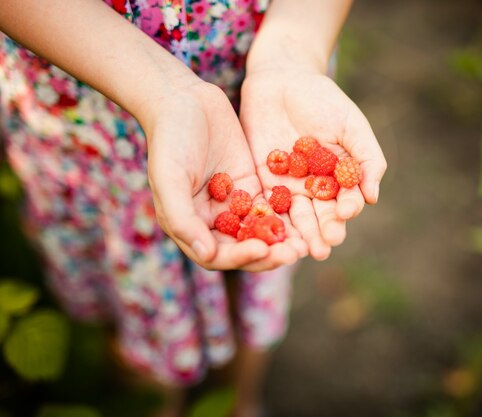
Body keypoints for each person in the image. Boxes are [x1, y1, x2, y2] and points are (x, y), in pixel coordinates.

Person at [0, 0, 386, 416]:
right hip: (90, 105)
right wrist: (160, 93)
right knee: (136, 299)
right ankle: (153, 401)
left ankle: (240, 401)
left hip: (258, 60)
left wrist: (293, 51)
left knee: (255, 272)